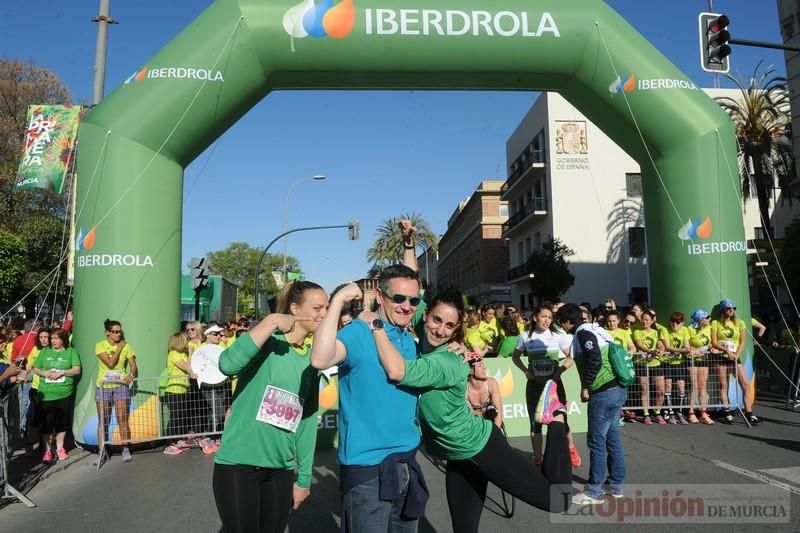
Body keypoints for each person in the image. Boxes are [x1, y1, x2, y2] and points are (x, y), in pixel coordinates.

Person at [363, 288, 571, 532]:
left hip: (480, 446)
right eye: (436, 320)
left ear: (456, 328)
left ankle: (556, 418)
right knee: (464, 528)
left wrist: (375, 326)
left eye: (449, 326)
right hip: (457, 456)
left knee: (559, 501)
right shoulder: (426, 333)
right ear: (426, 315)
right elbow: (413, 281)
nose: (440, 330)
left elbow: (396, 371)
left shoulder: (447, 361)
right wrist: (410, 247)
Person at [311, 219, 428, 533]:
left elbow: (409, 281)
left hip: (406, 462)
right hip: (367, 470)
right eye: (398, 299)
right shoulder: (362, 331)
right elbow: (320, 358)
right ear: (380, 296)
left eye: (413, 301)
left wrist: (408, 246)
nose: (407, 306)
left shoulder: (408, 332)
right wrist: (337, 300)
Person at [213, 280, 325, 533]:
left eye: (327, 308)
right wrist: (271, 321)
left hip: (280, 469)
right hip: (238, 465)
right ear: (294, 309)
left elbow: (306, 422)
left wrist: (304, 478)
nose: (324, 315)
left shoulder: (312, 359)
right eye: (318, 308)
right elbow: (226, 365)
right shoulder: (267, 342)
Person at [557, 304, 626, 505]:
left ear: (567, 321)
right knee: (612, 438)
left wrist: (586, 386)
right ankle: (615, 485)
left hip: (603, 391)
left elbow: (594, 357)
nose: (563, 327)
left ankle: (593, 492)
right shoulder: (597, 328)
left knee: (596, 441)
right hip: (617, 388)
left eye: (562, 323)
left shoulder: (582, 333)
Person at [512, 304, 580, 468]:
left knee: (561, 420)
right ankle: (537, 459)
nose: (547, 320)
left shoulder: (558, 335)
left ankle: (571, 449)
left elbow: (572, 357)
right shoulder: (525, 337)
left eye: (550, 317)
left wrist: (559, 372)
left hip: (554, 387)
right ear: (535, 317)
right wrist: (526, 372)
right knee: (535, 424)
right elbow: (515, 357)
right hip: (534, 386)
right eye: (544, 316)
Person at [31, 328, 81, 462]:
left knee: (61, 423)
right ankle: (47, 451)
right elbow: (35, 368)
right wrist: (44, 373)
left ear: (63, 339)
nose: (53, 341)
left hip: (64, 393)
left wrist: (62, 372)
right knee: (47, 424)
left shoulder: (71, 352)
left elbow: (77, 369)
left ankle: (59, 448)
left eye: (56, 338)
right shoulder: (45, 351)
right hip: (46, 393)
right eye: (52, 338)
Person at [95, 319, 138, 463]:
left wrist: (131, 375)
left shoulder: (127, 346)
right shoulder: (100, 345)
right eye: (114, 332)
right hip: (103, 387)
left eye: (119, 331)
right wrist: (119, 348)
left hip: (120, 387)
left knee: (122, 419)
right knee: (103, 420)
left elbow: (133, 366)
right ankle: (101, 451)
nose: (118, 334)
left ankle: (125, 448)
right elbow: (110, 363)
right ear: (108, 332)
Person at [710, 299, 758, 424]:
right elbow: (714, 342)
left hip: (734, 357)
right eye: (729, 308)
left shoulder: (739, 322)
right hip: (721, 357)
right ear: (723, 310)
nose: (732, 310)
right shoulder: (715, 323)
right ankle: (727, 412)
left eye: (733, 308)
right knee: (723, 384)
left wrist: (737, 353)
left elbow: (742, 341)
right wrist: (727, 351)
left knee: (746, 385)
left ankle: (749, 413)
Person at [163, 332, 194, 455]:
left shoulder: (183, 354)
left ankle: (178, 439)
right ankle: (168, 444)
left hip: (183, 389)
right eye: (186, 339)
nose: (188, 341)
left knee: (181, 417)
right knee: (175, 417)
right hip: (173, 390)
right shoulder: (173, 354)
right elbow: (187, 367)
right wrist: (191, 354)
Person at [632, 310, 665, 424]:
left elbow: (661, 344)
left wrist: (660, 350)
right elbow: (639, 345)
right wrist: (650, 351)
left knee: (661, 390)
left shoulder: (656, 332)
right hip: (642, 363)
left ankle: (657, 412)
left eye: (647, 319)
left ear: (652, 321)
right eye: (643, 319)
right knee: (644, 389)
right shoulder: (637, 331)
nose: (645, 321)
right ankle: (646, 414)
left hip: (655, 363)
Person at [661, 312, 691, 424]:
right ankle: (670, 412)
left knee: (681, 387)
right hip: (668, 362)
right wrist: (682, 350)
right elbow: (668, 347)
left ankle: (680, 412)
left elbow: (687, 346)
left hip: (679, 363)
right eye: (673, 321)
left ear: (682, 323)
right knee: (668, 387)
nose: (675, 324)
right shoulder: (665, 330)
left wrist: (684, 350)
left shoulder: (685, 330)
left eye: (677, 322)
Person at [687, 309, 714, 424]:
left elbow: (712, 342)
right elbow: (686, 345)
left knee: (703, 386)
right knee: (694, 386)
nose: (710, 319)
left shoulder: (709, 328)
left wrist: (710, 348)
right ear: (701, 320)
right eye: (707, 318)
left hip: (703, 359)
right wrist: (693, 350)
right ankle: (691, 412)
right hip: (691, 360)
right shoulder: (689, 329)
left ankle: (703, 412)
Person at [466, 356, 503, 428]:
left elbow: (499, 411)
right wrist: (485, 413)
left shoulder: (491, 383)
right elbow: (469, 414)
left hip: (492, 421)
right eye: (480, 365)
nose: (484, 367)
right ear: (470, 370)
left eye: (483, 364)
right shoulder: (464, 389)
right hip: (474, 424)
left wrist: (496, 432)